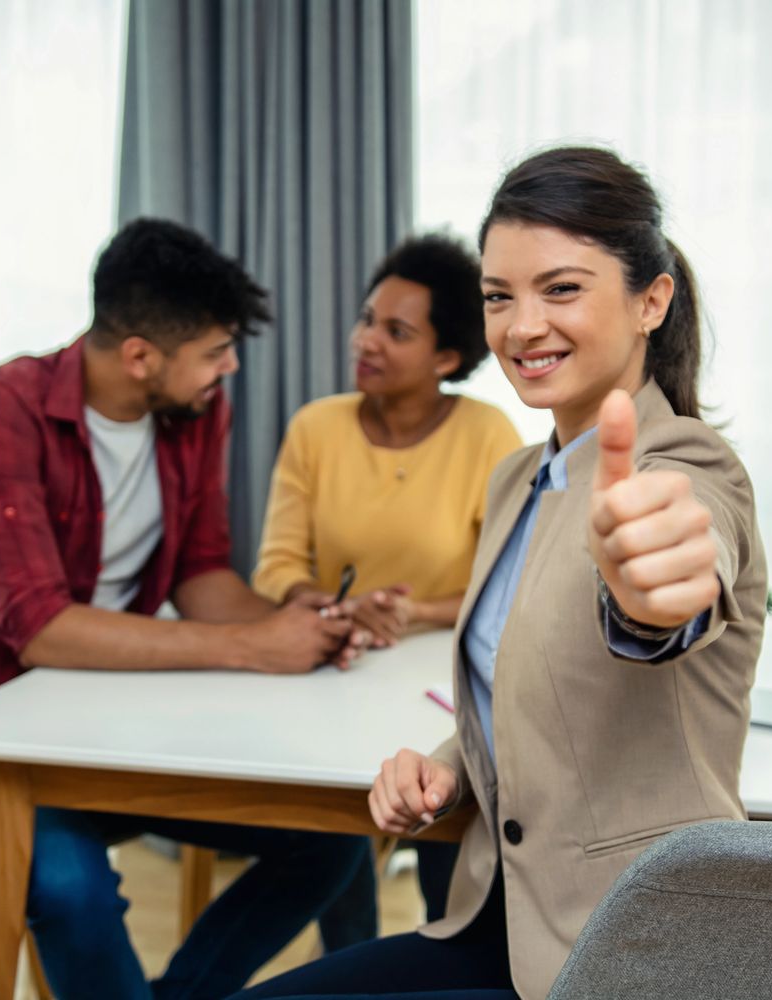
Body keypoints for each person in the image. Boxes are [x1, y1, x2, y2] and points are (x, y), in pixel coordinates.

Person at [223, 146, 768, 1000]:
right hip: (505, 919)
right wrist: (450, 765)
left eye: (562, 289)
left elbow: (673, 583)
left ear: (650, 301)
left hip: (634, 947)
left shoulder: (689, 465)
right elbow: (539, 696)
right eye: (498, 296)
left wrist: (653, 598)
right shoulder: (519, 478)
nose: (521, 327)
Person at [0, 218, 372, 1000]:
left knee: (332, 838)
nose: (231, 367)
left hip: (108, 728)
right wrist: (251, 647)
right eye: (215, 352)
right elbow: (42, 630)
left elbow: (200, 573)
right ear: (140, 355)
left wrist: (292, 624)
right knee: (72, 889)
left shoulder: (195, 412)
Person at [252, 234, 521, 940]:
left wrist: (411, 612)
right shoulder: (317, 428)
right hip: (336, 681)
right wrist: (329, 606)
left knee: (447, 826)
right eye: (368, 318)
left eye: (395, 331)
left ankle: (444, 951)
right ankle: (354, 961)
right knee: (336, 827)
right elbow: (276, 566)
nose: (364, 340)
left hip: (442, 690)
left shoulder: (486, 435)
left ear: (447, 358)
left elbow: (510, 584)